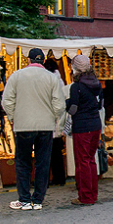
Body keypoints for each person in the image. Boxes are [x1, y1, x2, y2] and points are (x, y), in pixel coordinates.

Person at [2, 48, 65, 210]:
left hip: (23, 125)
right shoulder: (52, 78)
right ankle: (37, 200)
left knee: (23, 162)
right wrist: (56, 120)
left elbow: (7, 101)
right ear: (43, 61)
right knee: (42, 162)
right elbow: (59, 105)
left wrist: (13, 117)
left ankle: (24, 199)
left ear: (28, 60)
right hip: (45, 125)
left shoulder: (17, 76)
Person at [66, 54, 104, 205]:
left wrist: (67, 103)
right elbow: (100, 105)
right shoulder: (97, 84)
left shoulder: (77, 87)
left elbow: (73, 109)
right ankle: (92, 195)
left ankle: (86, 197)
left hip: (82, 127)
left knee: (82, 162)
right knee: (91, 161)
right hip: (95, 125)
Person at [43, 58, 67, 186]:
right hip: (59, 122)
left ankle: (46, 180)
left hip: (48, 121)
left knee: (46, 154)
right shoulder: (60, 80)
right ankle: (60, 178)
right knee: (57, 153)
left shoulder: (47, 81)